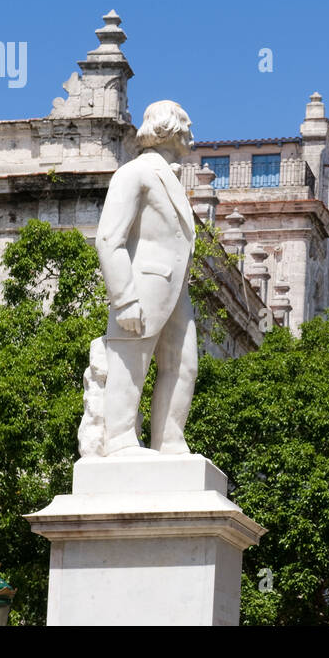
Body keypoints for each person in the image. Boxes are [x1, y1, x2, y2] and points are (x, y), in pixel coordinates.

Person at [92, 100, 198, 456]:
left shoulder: (172, 178)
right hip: (142, 286)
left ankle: (169, 440)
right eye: (186, 125)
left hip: (176, 293)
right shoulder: (134, 173)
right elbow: (109, 238)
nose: (191, 132)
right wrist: (124, 298)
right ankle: (120, 438)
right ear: (169, 128)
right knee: (130, 361)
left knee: (184, 366)